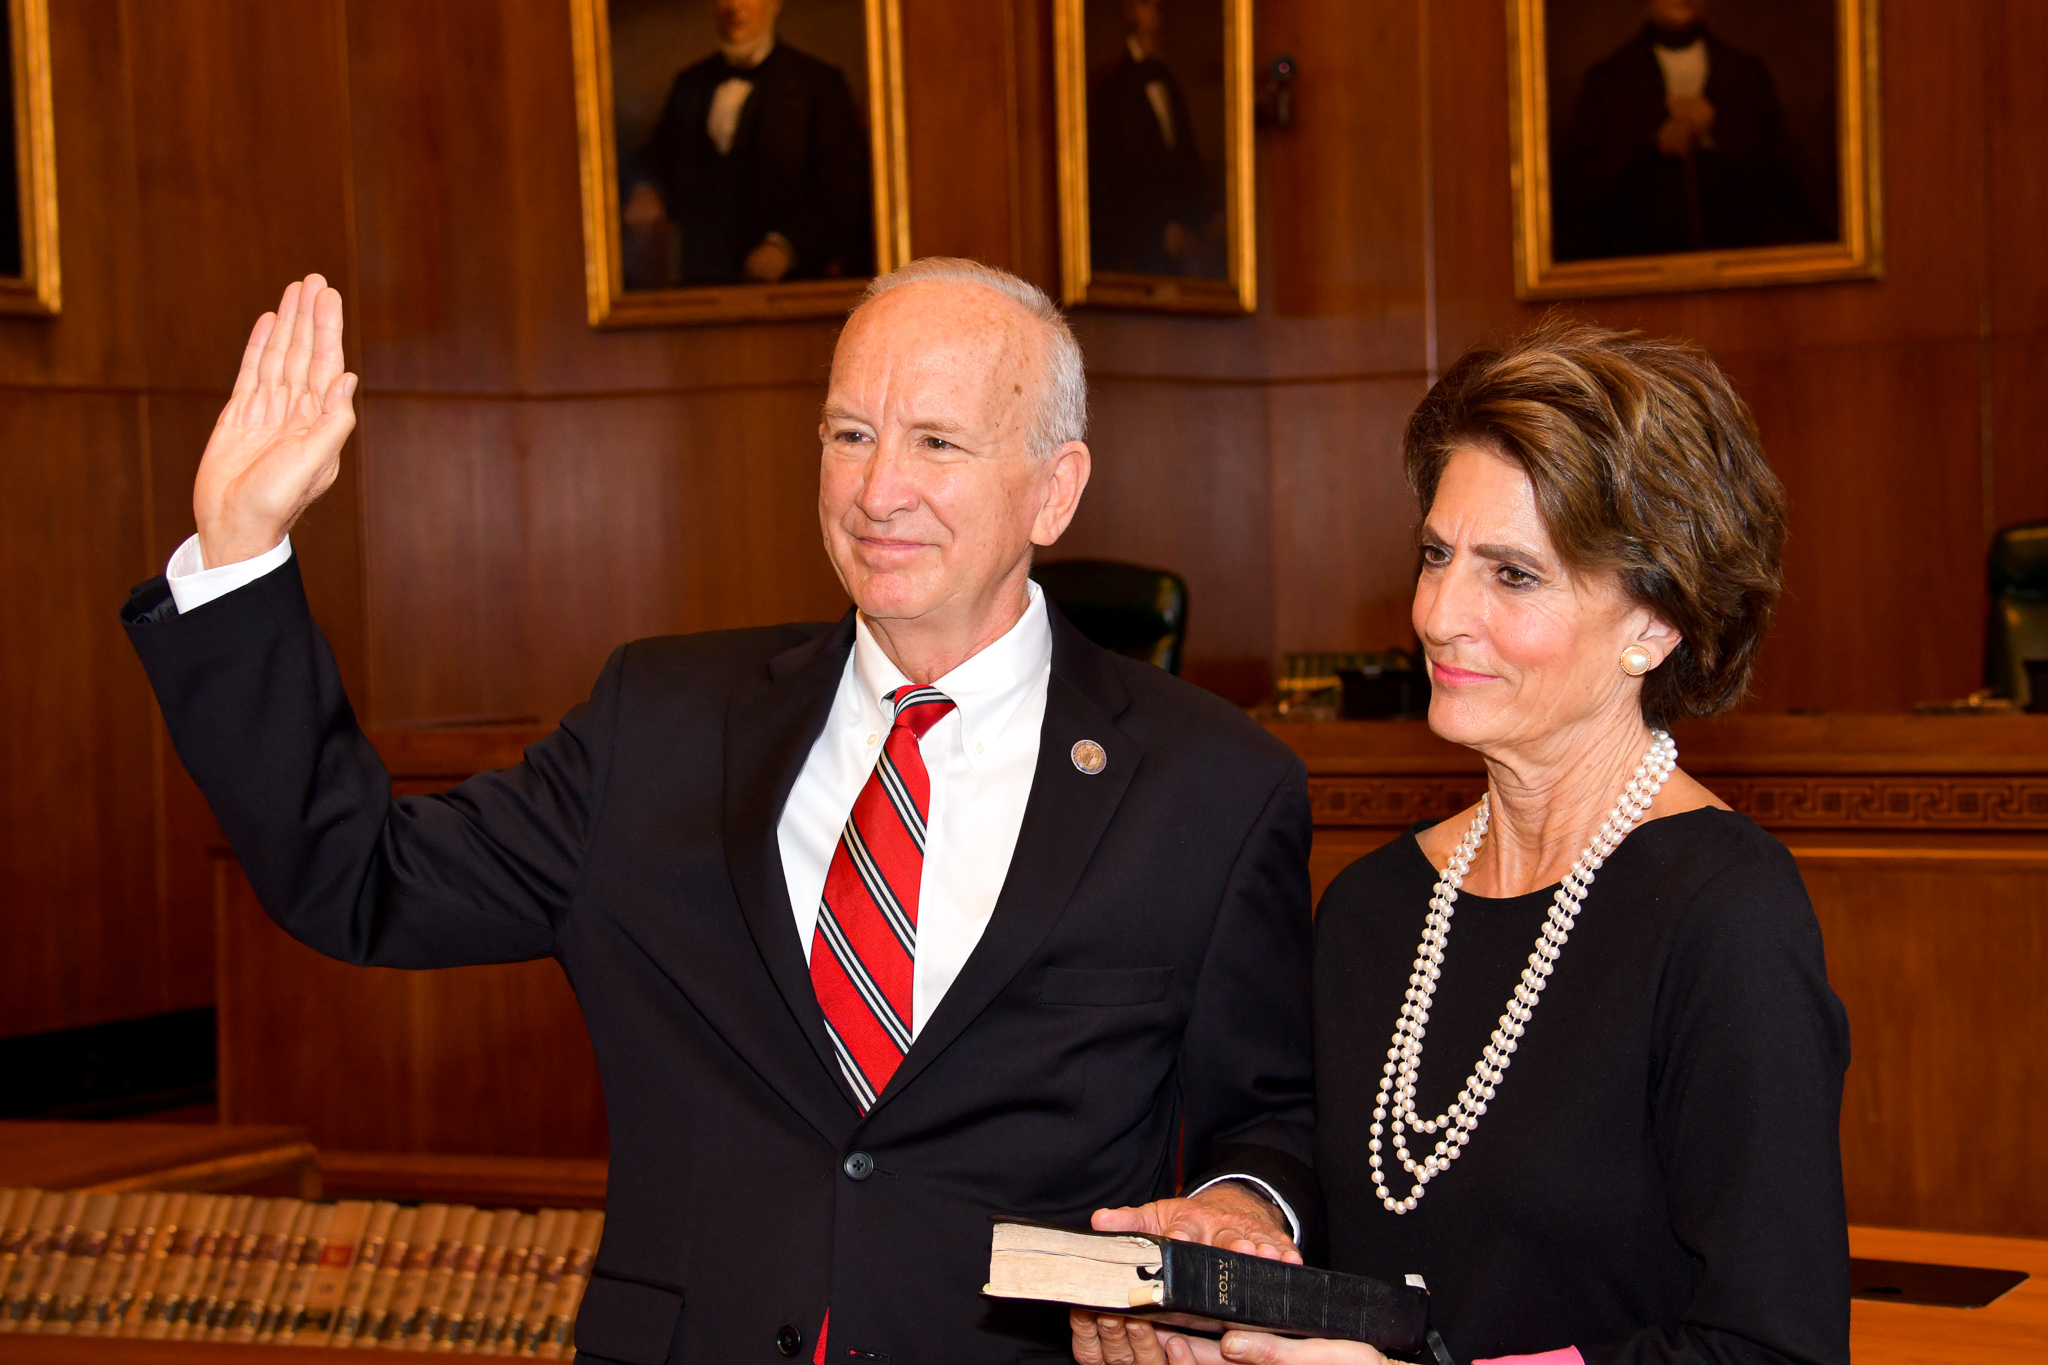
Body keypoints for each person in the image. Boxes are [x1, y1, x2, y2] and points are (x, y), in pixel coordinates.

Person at [121, 258, 1317, 1363]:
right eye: (848, 433)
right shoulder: (663, 724)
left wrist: (1235, 1206)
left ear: (1053, 493)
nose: (876, 488)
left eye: (936, 443)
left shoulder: (1209, 785)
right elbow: (360, 877)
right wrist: (238, 551)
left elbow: (1267, 1113)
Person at [1072, 321, 1851, 1365]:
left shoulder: (1723, 914)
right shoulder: (1374, 905)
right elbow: (1352, 1217)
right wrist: (1224, 1270)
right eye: (1435, 555)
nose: (1438, 613)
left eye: (1511, 575)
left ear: (1655, 623)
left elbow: (1772, 1350)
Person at [623, 0, 872, 287]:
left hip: (792, 289)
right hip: (702, 287)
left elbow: (846, 191)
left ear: (775, 4)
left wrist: (788, 248)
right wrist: (645, 188)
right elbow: (657, 157)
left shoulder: (818, 84)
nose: (734, 7)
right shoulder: (690, 84)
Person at [1552, 0, 1822, 261]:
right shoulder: (1608, 81)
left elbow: (1788, 188)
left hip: (1739, 268)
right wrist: (1654, 142)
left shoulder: (1747, 74)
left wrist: (1717, 132)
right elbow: (1578, 195)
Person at [1088, 0, 1219, 277]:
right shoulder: (1112, 86)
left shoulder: (1169, 82)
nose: (1156, 14)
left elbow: (1184, 160)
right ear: (1131, 11)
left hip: (1179, 243)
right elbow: (1111, 177)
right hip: (1135, 245)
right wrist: (1158, 229)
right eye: (1148, 5)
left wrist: (1193, 222)